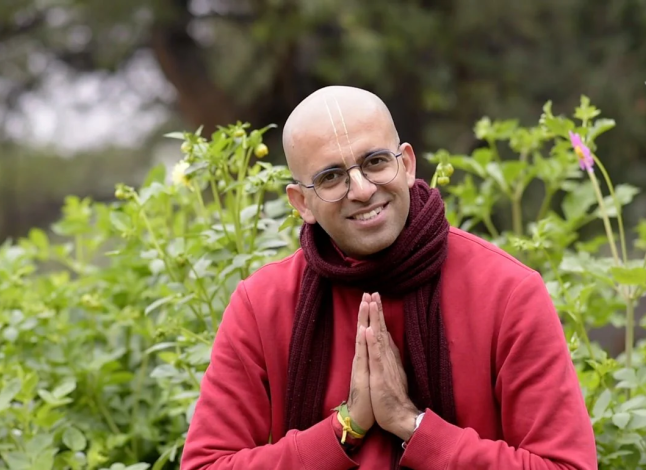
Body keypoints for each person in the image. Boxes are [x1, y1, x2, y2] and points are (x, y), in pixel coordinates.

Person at [180, 86, 597, 469]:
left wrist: (412, 425)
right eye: (331, 177)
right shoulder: (263, 304)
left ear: (409, 163)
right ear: (301, 202)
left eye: (375, 162)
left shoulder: (507, 291)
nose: (361, 189)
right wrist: (345, 427)